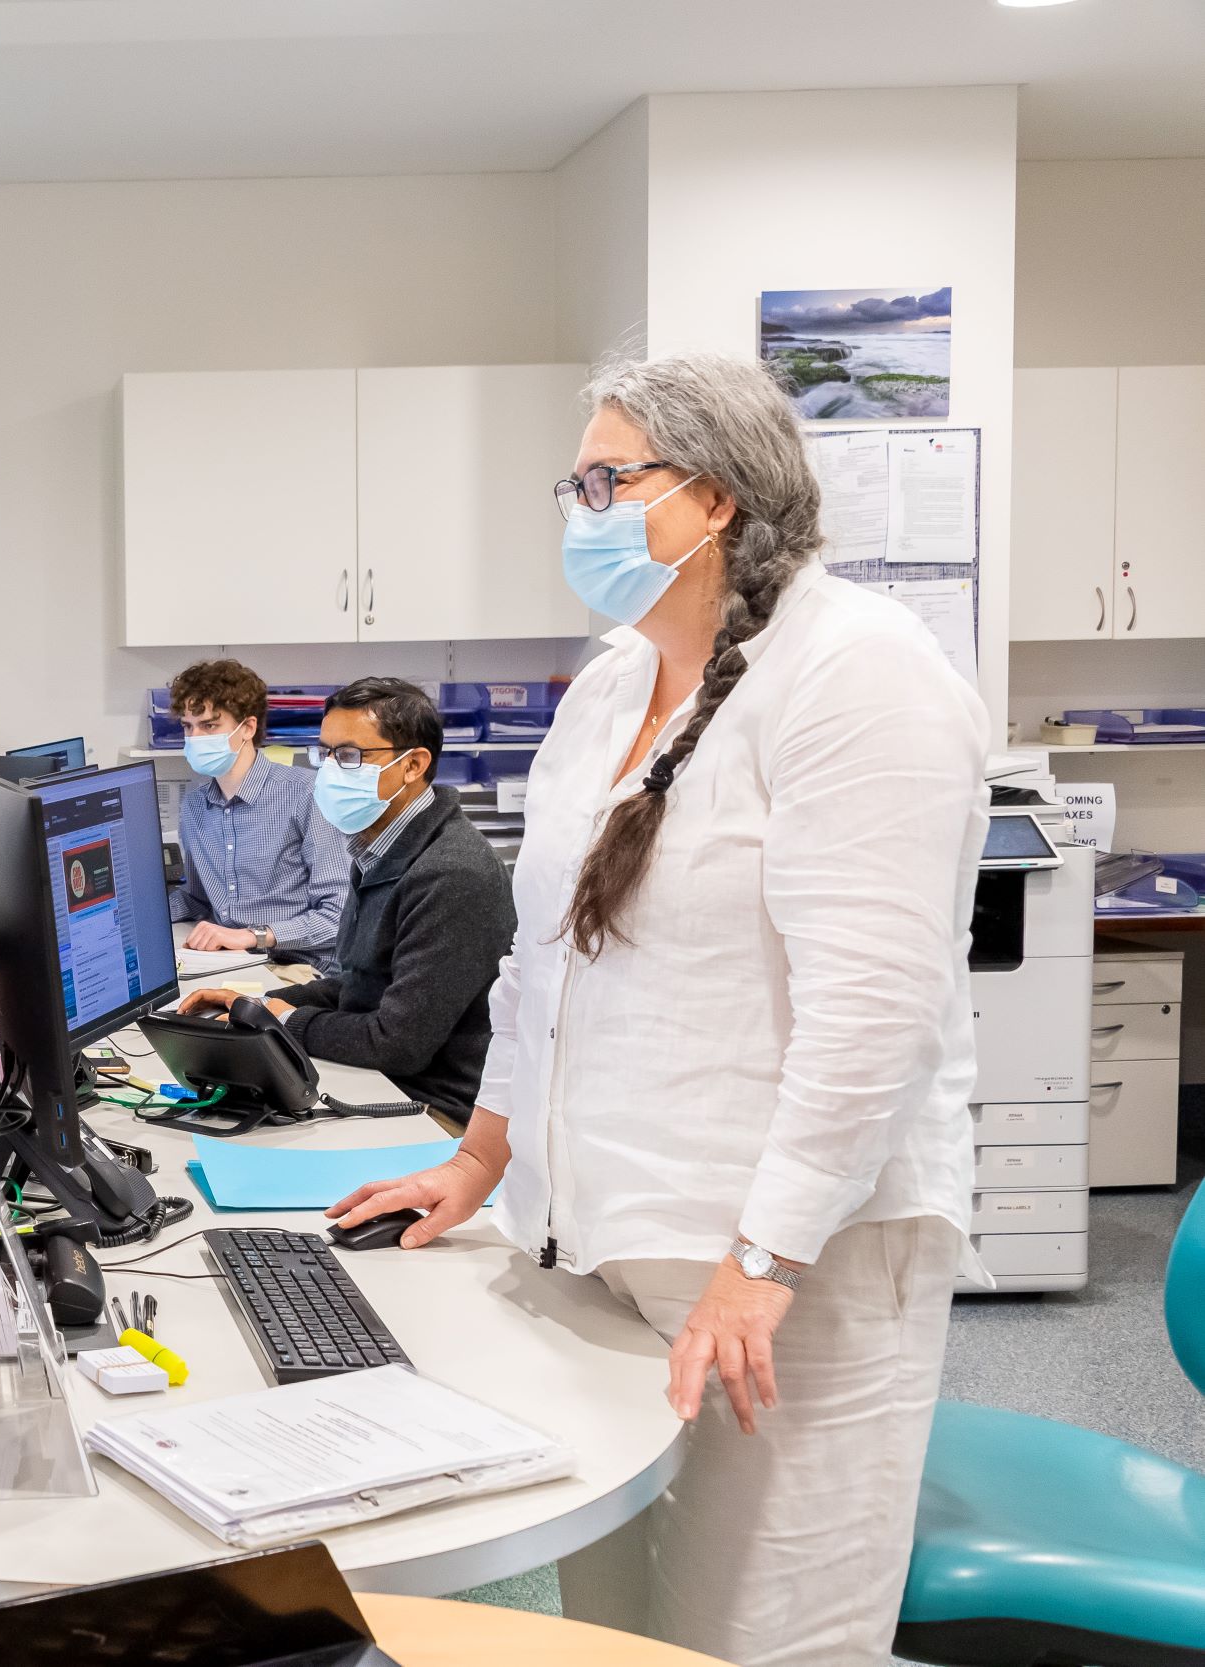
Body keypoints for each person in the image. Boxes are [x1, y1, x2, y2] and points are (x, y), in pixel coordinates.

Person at [327, 355, 985, 1667]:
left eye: (603, 478)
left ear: (718, 497)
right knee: (628, 1627)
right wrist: (480, 1154)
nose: (578, 507)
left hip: (790, 1270)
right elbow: (545, 964)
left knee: (761, 1636)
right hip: (606, 1248)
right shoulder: (612, 686)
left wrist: (763, 1261)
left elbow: (877, 1012)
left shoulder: (860, 671)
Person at [180, 677, 514, 1126]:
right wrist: (254, 1007)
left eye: (350, 756)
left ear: (413, 765)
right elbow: (361, 986)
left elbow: (398, 1042)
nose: (331, 770)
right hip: (388, 1080)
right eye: (327, 753)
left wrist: (287, 1019)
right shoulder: (381, 846)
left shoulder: (450, 873)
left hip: (434, 1109)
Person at [167, 658, 348, 971]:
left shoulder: (306, 794)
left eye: (209, 725)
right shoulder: (194, 806)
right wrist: (132, 915)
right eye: (188, 726)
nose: (195, 738)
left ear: (247, 727)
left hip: (304, 965)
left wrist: (254, 937)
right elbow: (197, 898)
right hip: (235, 961)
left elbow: (339, 915)